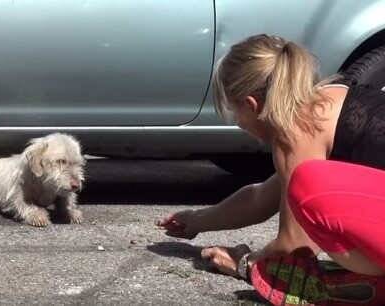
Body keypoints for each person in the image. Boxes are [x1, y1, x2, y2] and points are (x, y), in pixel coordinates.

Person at [158, 34, 385, 305]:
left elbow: (294, 246)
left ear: (252, 104)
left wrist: (247, 263)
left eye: (235, 113)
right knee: (309, 187)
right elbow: (260, 198)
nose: (239, 124)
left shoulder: (297, 130)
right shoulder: (325, 104)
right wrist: (197, 220)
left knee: (309, 186)